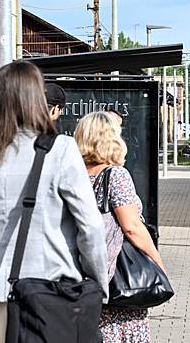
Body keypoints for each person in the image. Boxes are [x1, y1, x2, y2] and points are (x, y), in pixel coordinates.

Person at [0, 61, 109, 343]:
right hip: (52, 298)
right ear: (36, 100)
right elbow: (92, 228)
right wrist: (99, 287)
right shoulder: (60, 150)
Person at [74, 111, 166, 343]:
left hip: (80, 277)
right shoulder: (115, 175)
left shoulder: (71, 175)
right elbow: (132, 227)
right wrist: (158, 263)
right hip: (116, 280)